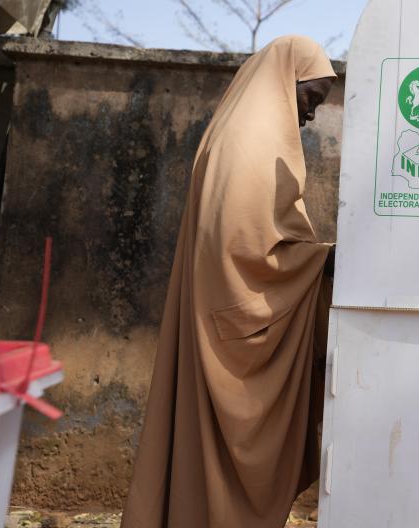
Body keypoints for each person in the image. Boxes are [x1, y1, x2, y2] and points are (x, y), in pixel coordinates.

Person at [122, 35, 338, 528]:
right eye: (311, 100)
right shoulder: (254, 141)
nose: (311, 116)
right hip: (230, 330)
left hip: (215, 318)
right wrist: (318, 264)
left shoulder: (241, 130)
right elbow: (244, 254)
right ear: (288, 82)